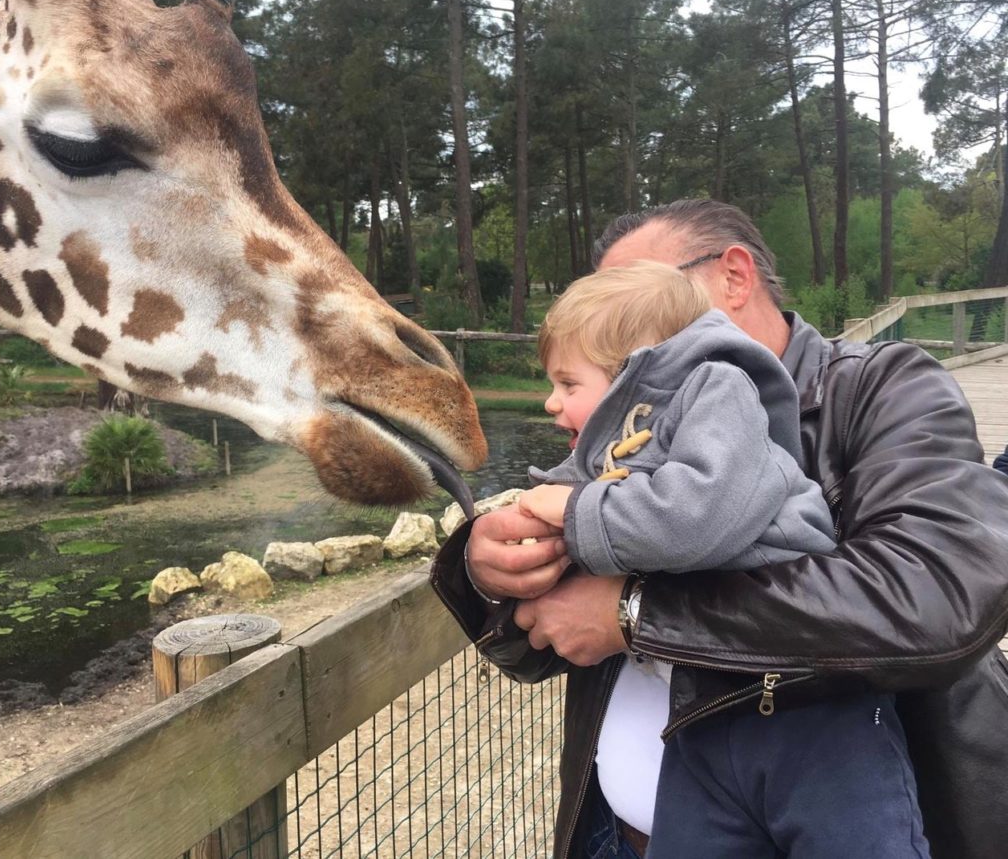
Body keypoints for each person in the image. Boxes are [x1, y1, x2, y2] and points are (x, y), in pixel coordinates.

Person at [430, 199, 1008, 859]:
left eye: (639, 298)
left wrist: (636, 611)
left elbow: (933, 599)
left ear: (734, 277)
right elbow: (544, 642)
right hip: (613, 833)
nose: (619, 340)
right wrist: (487, 568)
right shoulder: (627, 423)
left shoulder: (884, 389)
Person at [511, 262, 928, 857]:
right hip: (702, 709)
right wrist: (514, 535)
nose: (551, 403)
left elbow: (694, 519)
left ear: (636, 375)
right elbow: (575, 500)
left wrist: (573, 513)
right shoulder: (624, 444)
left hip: (810, 702)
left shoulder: (720, 390)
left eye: (567, 384)